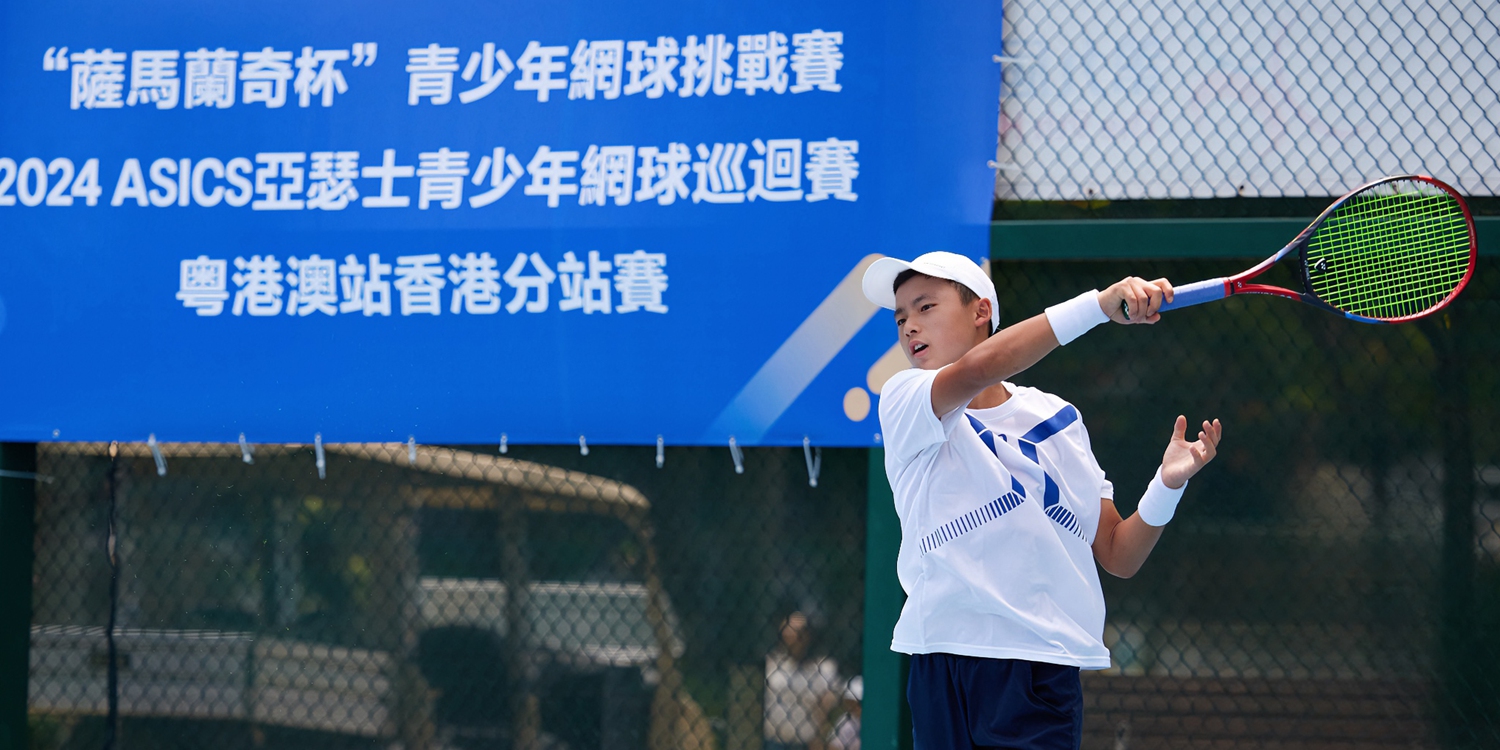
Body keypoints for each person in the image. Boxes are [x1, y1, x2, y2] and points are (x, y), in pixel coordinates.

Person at [860, 252, 1223, 749]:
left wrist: (1167, 485)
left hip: (1039, 665)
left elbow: (1118, 553)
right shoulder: (904, 398)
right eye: (900, 317)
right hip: (940, 656)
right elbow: (979, 368)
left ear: (980, 311)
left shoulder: (1059, 419)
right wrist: (1098, 306)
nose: (909, 327)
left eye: (925, 307)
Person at [764, 611, 843, 750]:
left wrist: (820, 734)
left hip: (807, 742)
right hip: (773, 740)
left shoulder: (823, 667)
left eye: (798, 631)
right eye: (788, 630)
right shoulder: (771, 663)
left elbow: (830, 700)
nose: (792, 636)